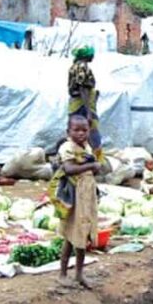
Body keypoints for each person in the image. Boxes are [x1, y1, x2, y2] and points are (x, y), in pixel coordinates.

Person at [50, 116, 101, 288]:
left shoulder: (86, 146)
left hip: (86, 194)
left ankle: (79, 274)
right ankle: (63, 274)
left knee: (83, 233)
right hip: (74, 195)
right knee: (70, 236)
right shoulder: (67, 147)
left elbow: (91, 166)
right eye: (76, 130)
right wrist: (91, 166)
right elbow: (69, 169)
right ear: (68, 132)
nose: (80, 133)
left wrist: (95, 168)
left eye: (84, 130)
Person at [67, 45, 101, 151]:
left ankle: (77, 153)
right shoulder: (82, 67)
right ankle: (95, 155)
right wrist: (88, 112)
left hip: (76, 104)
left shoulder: (75, 66)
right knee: (91, 130)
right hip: (81, 105)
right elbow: (83, 88)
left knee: (76, 131)